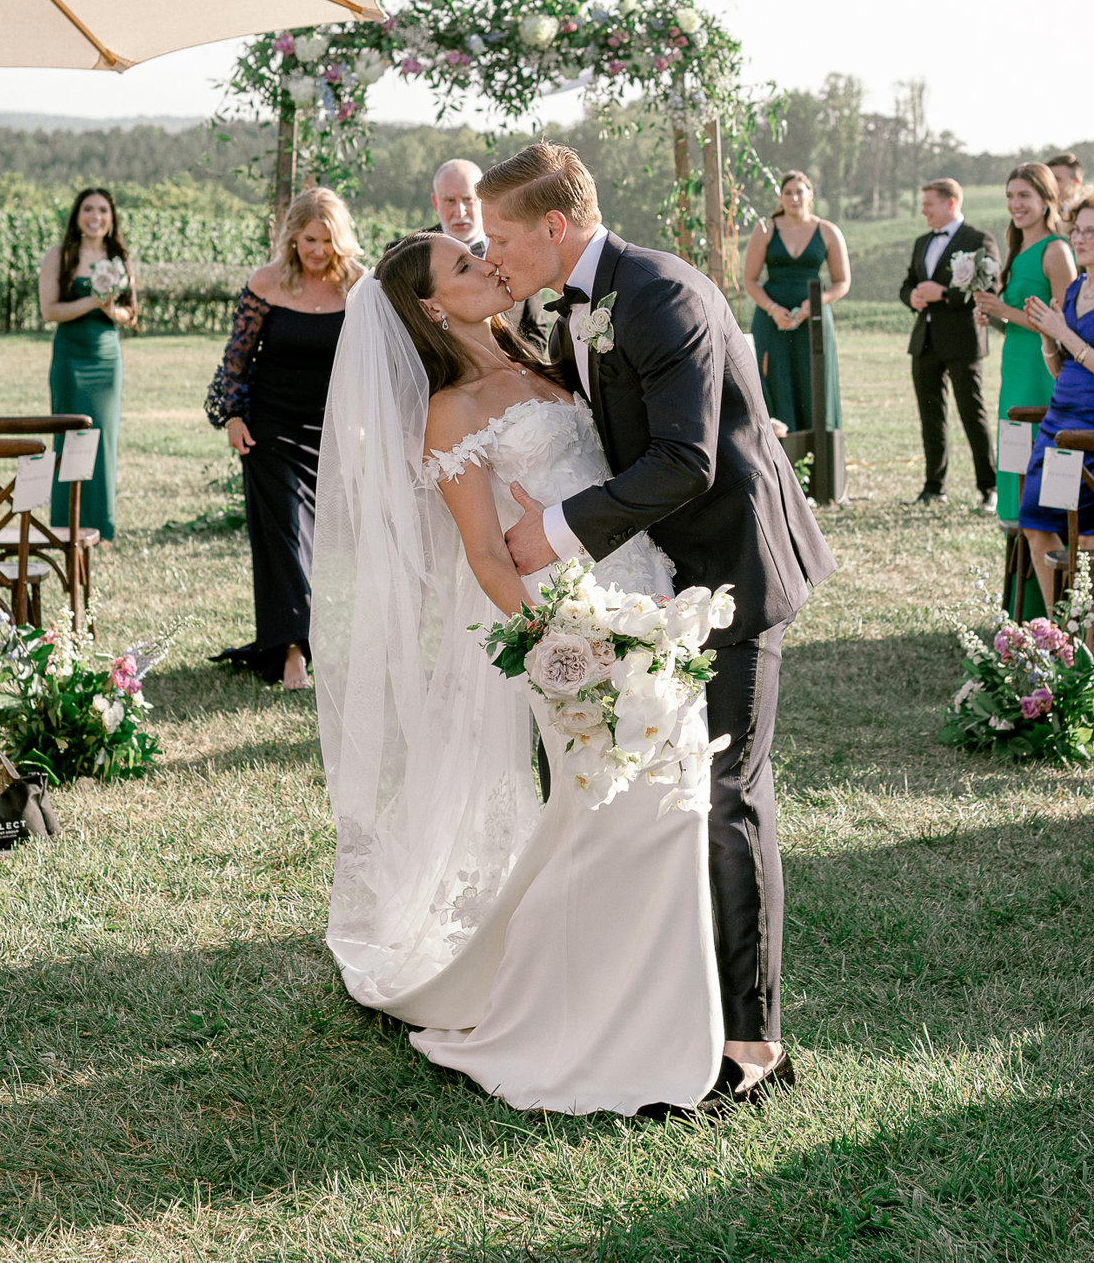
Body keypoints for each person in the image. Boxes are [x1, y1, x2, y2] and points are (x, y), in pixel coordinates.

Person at [312, 233, 724, 1115]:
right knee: (614, 810)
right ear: (431, 308)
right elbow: (486, 554)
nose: (486, 265)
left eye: (479, 252)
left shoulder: (549, 357)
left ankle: (660, 1009)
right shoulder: (450, 411)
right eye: (463, 266)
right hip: (574, 626)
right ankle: (582, 1015)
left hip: (647, 593)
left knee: (673, 799)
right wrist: (557, 643)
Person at [483, 143, 835, 1105]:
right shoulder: (563, 305)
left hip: (729, 568)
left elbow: (685, 460)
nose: (491, 254)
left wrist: (551, 533)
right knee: (659, 791)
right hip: (649, 580)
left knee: (725, 793)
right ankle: (664, 1004)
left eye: (501, 237)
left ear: (555, 226)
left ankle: (754, 1046)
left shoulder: (659, 292)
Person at [206, 187, 364, 690]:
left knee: (316, 542)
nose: (318, 250)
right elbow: (236, 359)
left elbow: (372, 361)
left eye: (327, 240)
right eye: (309, 239)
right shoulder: (267, 282)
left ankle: (308, 636)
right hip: (270, 428)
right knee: (283, 537)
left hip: (331, 431)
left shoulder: (359, 286)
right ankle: (293, 650)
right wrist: (233, 417)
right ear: (292, 236)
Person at [1017, 190, 1094, 639]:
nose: (1080, 239)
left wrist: (1064, 332)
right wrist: (1048, 336)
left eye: (1092, 232)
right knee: (1036, 525)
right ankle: (1059, 634)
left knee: (1088, 536)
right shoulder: (1074, 290)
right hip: (1058, 423)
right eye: (1077, 230)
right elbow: (1059, 368)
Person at [973, 165, 1077, 527]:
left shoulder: (1056, 250)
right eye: (1010, 196)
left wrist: (1003, 309)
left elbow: (1066, 325)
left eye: (1024, 195)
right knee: (1015, 449)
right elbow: (1021, 322)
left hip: (1043, 371)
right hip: (1015, 367)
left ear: (1047, 200)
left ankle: (1046, 539)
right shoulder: (1017, 250)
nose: (1015, 204)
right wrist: (995, 318)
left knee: (1037, 452)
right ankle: (1019, 541)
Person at [38, 187, 137, 542]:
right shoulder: (59, 256)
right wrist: (93, 302)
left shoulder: (120, 257)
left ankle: (100, 526)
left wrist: (111, 310)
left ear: (112, 218)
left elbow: (131, 314)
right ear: (77, 216)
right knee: (68, 436)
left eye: (103, 211)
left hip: (106, 359)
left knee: (102, 438)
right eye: (88, 209)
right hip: (70, 357)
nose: (96, 217)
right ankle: (65, 525)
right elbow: (49, 311)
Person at [900, 178, 1000, 512]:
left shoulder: (978, 239)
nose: (924, 211)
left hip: (962, 340)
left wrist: (944, 294)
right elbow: (907, 284)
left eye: (929, 204)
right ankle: (933, 487)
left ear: (951, 203)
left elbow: (989, 288)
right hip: (925, 340)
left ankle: (989, 487)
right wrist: (912, 297)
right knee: (930, 416)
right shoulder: (921, 242)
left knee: (972, 413)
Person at [742, 170, 850, 432]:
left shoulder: (828, 231)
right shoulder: (765, 229)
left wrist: (816, 303)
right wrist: (773, 309)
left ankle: (819, 444)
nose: (794, 198)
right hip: (772, 320)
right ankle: (778, 447)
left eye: (799, 192)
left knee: (814, 379)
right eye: (787, 193)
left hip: (813, 320)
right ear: (780, 197)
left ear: (810, 195)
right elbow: (750, 280)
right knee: (774, 377)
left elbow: (842, 282)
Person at [426, 156, 547, 352]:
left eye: (468, 199)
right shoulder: (409, 256)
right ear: (435, 202)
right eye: (450, 201)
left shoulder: (517, 245)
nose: (460, 212)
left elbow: (535, 331)